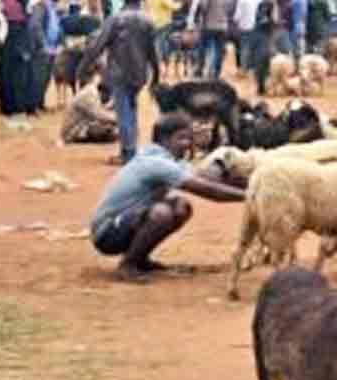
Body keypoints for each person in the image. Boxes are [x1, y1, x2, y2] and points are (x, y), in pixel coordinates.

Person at [90, 113, 245, 282]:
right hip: (107, 233)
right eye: (183, 138)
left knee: (180, 206)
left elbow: (208, 179)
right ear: (165, 139)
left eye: (189, 138)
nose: (188, 144)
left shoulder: (167, 159)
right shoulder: (157, 164)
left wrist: (256, 182)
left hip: (125, 222)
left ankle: (140, 258)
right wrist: (251, 196)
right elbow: (210, 191)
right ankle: (128, 265)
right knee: (161, 213)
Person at [80, 0, 158, 166]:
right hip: (140, 73)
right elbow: (153, 51)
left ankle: (129, 153)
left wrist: (83, 66)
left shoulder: (116, 19)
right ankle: (130, 149)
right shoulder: (148, 20)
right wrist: (156, 74)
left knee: (123, 111)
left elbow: (98, 45)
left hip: (119, 71)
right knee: (131, 108)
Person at [194, 0, 235, 79]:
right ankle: (216, 73)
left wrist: (197, 20)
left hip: (208, 25)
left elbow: (202, 7)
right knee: (219, 50)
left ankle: (200, 70)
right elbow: (230, 10)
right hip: (222, 26)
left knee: (202, 48)